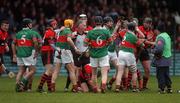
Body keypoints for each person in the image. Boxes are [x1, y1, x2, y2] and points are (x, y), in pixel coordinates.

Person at [84, 16, 112, 93]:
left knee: (94, 74)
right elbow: (111, 41)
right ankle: (103, 86)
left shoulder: (90, 32)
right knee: (104, 73)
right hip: (103, 54)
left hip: (93, 55)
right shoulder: (106, 32)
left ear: (94, 23)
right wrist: (106, 44)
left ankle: (95, 88)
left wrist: (90, 44)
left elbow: (85, 43)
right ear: (102, 22)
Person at [115, 22, 145, 92]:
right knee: (134, 72)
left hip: (121, 53)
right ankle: (134, 88)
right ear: (134, 28)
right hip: (129, 54)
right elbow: (141, 44)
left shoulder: (126, 34)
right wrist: (142, 42)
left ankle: (117, 88)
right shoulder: (133, 36)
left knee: (120, 72)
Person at [12, 18, 39, 92]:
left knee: (21, 71)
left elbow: (13, 44)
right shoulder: (31, 32)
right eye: (30, 23)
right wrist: (36, 51)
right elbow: (35, 42)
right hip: (28, 54)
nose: (31, 25)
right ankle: (22, 82)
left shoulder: (18, 33)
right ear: (27, 25)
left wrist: (14, 54)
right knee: (33, 70)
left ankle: (17, 86)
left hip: (19, 54)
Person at [54, 19, 80, 92]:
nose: (73, 25)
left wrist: (71, 37)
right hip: (65, 51)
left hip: (58, 50)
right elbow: (68, 39)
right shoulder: (68, 31)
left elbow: (60, 37)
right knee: (72, 70)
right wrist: (75, 47)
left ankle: (51, 87)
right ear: (70, 24)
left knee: (56, 71)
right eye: (72, 23)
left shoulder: (60, 30)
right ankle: (75, 87)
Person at [37, 19, 57, 92]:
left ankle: (49, 88)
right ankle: (40, 87)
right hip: (47, 51)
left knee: (50, 71)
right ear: (51, 24)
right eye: (54, 23)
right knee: (49, 70)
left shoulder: (48, 31)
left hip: (46, 51)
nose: (55, 24)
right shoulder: (50, 32)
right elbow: (51, 44)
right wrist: (58, 50)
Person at [152, 22, 172, 94]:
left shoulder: (160, 37)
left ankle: (162, 89)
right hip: (168, 58)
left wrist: (153, 51)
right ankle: (169, 88)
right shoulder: (167, 35)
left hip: (161, 58)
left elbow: (159, 49)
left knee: (160, 74)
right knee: (166, 74)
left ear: (157, 30)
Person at [138, 17, 155, 89]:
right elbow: (139, 40)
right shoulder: (139, 29)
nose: (146, 24)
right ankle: (127, 85)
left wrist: (152, 46)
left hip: (144, 51)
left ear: (150, 24)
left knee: (147, 69)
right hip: (136, 49)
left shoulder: (152, 33)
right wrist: (151, 42)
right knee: (129, 68)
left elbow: (153, 44)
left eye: (148, 23)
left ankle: (144, 86)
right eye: (145, 22)